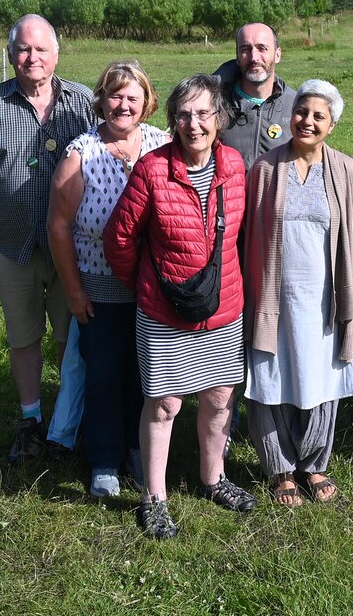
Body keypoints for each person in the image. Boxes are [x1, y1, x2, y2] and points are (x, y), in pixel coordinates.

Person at [105, 74, 253, 539]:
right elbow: (119, 238)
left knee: (218, 399)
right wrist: (147, 286)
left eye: (203, 113)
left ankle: (213, 479)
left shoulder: (234, 165)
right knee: (165, 405)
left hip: (224, 308)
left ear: (219, 119)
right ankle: (154, 497)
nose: (194, 124)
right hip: (164, 312)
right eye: (184, 115)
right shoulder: (152, 169)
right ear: (172, 121)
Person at [0, 14, 95, 464]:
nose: (32, 57)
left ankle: (68, 421)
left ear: (57, 53)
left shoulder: (84, 102)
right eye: (23, 49)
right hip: (14, 246)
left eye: (41, 49)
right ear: (10, 55)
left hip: (73, 250)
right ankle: (30, 420)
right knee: (22, 338)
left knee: (70, 339)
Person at [47, 60, 170, 498]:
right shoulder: (81, 154)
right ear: (101, 100)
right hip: (99, 285)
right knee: (102, 374)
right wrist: (75, 291)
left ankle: (141, 453)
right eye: (115, 96)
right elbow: (59, 226)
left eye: (132, 97)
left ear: (146, 103)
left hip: (154, 288)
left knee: (147, 375)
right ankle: (103, 460)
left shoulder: (163, 145)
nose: (123, 105)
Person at [242, 80, 353, 505]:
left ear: (332, 125)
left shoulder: (345, 170)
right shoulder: (264, 169)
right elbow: (248, 233)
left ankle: (313, 463)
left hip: (323, 294)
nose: (307, 121)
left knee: (319, 373)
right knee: (271, 373)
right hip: (273, 291)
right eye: (301, 111)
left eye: (318, 116)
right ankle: (279, 469)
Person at [217, 22, 297, 169]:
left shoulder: (296, 107)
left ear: (277, 54)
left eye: (262, 48)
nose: (254, 57)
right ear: (237, 57)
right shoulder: (216, 105)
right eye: (245, 49)